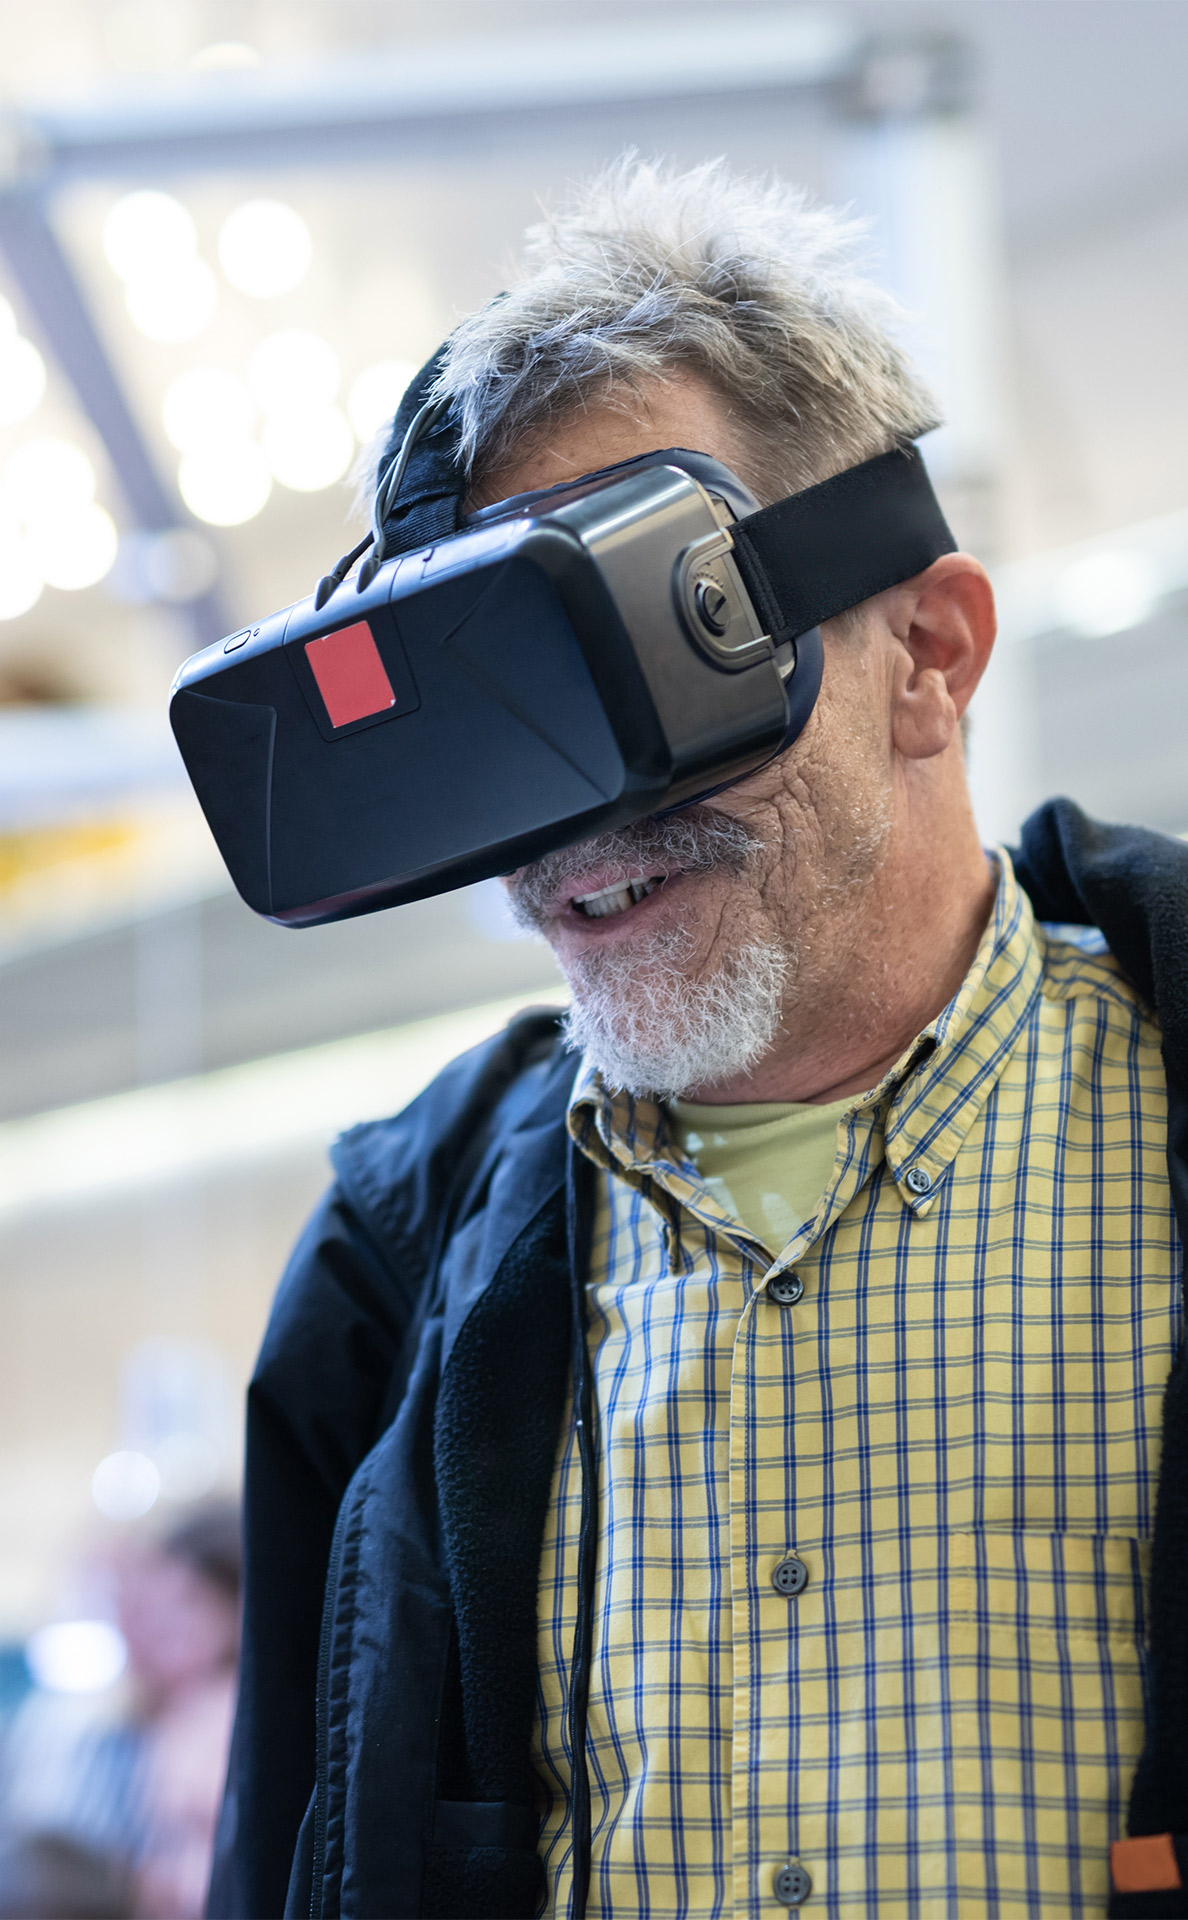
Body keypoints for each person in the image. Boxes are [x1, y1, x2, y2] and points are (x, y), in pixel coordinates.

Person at [209, 159, 1187, 1920]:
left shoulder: (1168, 1122)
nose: (578, 831)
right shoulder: (396, 1270)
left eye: (649, 667)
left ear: (931, 656)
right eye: (505, 725)